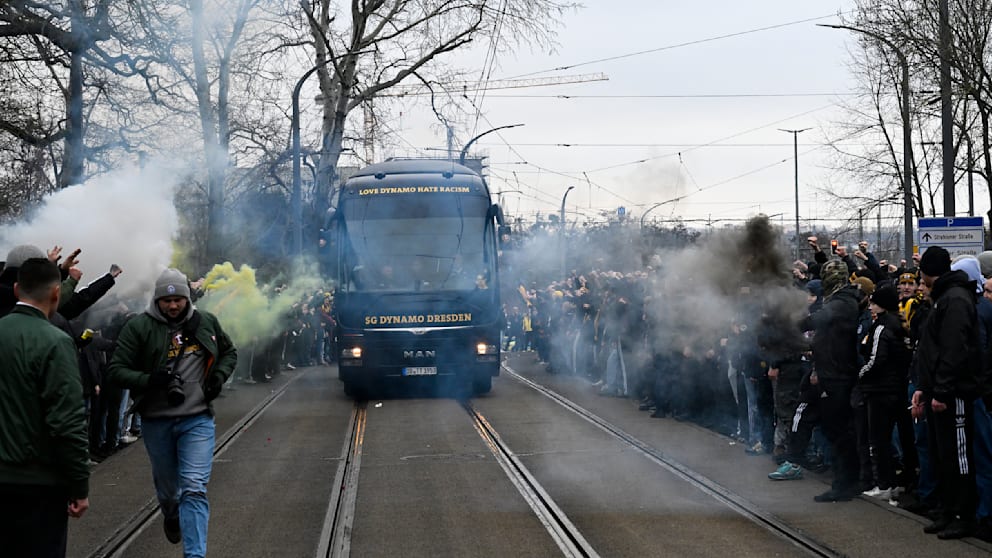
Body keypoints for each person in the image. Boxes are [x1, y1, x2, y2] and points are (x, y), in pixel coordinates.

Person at [108, 268, 237, 557]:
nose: (173, 305)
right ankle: (170, 513)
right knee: (169, 493)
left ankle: (195, 554)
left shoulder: (206, 323)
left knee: (193, 487)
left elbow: (229, 352)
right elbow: (116, 369)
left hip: (197, 419)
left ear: (187, 298)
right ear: (157, 300)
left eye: (178, 299)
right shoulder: (139, 327)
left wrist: (218, 378)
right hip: (157, 420)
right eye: (166, 301)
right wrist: (149, 380)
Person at [0, 257, 90, 558]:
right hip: (38, 483)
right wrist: (79, 485)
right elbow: (67, 422)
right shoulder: (56, 342)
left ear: (16, 290)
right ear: (56, 293)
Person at [912, 246, 983, 539]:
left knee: (959, 457)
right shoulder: (944, 298)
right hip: (939, 392)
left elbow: (953, 349)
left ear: (927, 272)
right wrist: (924, 389)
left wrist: (940, 390)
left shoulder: (953, 299)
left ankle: (963, 515)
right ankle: (947, 509)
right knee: (944, 455)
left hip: (955, 394)